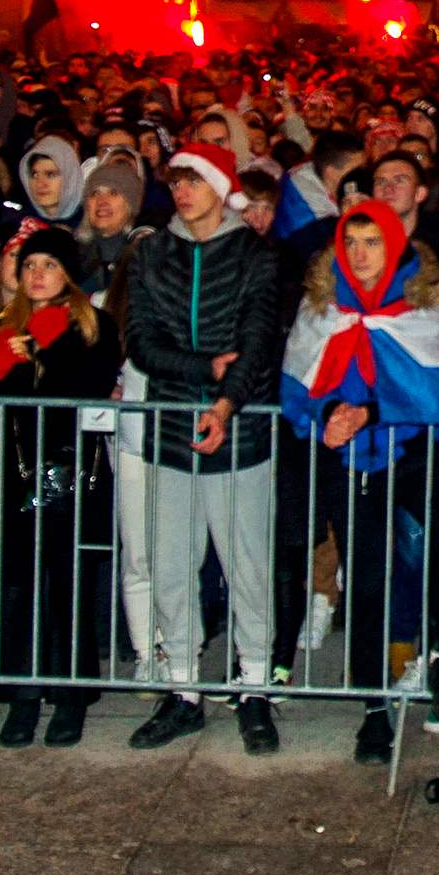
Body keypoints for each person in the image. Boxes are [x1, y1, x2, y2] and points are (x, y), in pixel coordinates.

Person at [283, 200, 439, 764]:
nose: (361, 254)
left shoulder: (420, 302)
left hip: (411, 448)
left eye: (373, 242)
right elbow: (297, 379)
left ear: (394, 246)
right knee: (366, 576)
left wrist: (367, 409)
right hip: (352, 460)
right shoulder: (321, 306)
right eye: (352, 243)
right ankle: (373, 708)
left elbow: (432, 384)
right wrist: (326, 417)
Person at [125, 139, 286, 750]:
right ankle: (184, 689)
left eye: (194, 179)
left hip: (240, 430)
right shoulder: (151, 254)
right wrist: (201, 371)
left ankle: (254, 688)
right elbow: (141, 340)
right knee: (171, 565)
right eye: (176, 180)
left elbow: (257, 337)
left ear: (220, 187)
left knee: (247, 565)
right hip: (171, 427)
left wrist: (224, 401)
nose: (182, 190)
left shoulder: (254, 255)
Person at [0, 229, 121, 748]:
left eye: (50, 264)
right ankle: (21, 697)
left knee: (69, 585)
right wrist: (14, 357)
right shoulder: (0, 326)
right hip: (15, 474)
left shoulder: (93, 325)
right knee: (20, 587)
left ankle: (70, 697)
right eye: (30, 264)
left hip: (75, 472)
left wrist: (42, 347)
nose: (38, 273)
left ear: (68, 274)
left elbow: (88, 383)